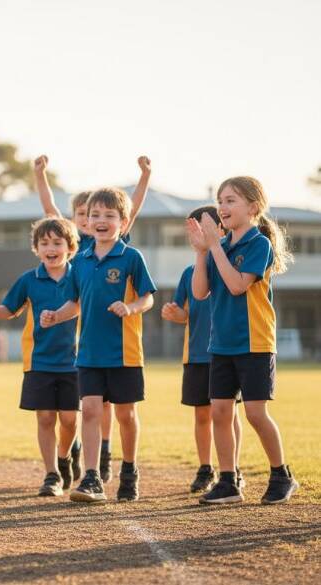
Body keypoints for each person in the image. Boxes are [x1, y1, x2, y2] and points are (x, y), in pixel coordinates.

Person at [34, 155, 151, 482]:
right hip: (88, 347)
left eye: (101, 214)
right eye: (86, 214)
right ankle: (90, 467)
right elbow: (49, 211)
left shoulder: (124, 249)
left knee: (119, 410)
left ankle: (109, 452)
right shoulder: (78, 253)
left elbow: (134, 208)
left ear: (119, 221)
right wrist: (40, 175)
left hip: (122, 347)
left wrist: (144, 176)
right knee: (93, 407)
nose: (91, 219)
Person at [187, 176, 298, 504]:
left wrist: (216, 247)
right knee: (220, 411)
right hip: (221, 343)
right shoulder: (222, 247)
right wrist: (201, 252)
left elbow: (237, 285)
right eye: (220, 200)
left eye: (231, 200)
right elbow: (199, 292)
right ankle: (228, 481)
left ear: (253, 207)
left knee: (253, 413)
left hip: (254, 342)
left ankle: (282, 475)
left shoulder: (258, 244)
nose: (222, 207)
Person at [0, 217, 80, 496]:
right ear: (36, 248)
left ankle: (64, 456)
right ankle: (51, 473)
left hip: (75, 361)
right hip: (39, 360)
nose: (50, 248)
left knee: (69, 420)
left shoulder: (79, 276)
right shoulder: (29, 280)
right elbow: (8, 309)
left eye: (57, 242)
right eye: (44, 243)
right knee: (44, 418)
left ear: (70, 247)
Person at [161, 206, 244, 493]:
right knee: (201, 414)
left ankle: (232, 469)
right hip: (196, 353)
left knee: (228, 413)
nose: (196, 234)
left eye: (202, 228)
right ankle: (205, 467)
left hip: (227, 352)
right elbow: (187, 312)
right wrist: (176, 315)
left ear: (220, 229)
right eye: (191, 230)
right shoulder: (190, 272)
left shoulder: (231, 266)